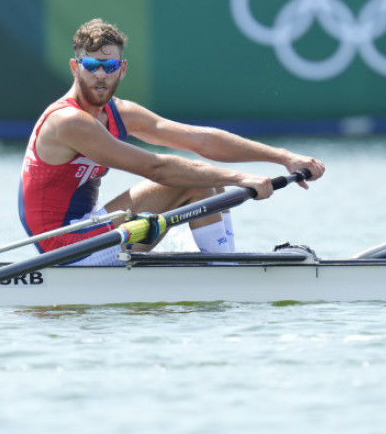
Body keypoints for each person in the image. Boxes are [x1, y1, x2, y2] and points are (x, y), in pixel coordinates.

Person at [19, 18, 325, 265]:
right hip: (62, 250)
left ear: (121, 70)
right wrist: (241, 177)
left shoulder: (120, 113)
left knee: (204, 180)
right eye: (91, 66)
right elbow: (158, 169)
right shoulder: (68, 122)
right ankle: (226, 271)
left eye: (109, 67)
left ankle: (222, 263)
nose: (101, 75)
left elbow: (200, 140)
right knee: (192, 181)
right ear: (76, 68)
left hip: (90, 229)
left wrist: (282, 157)